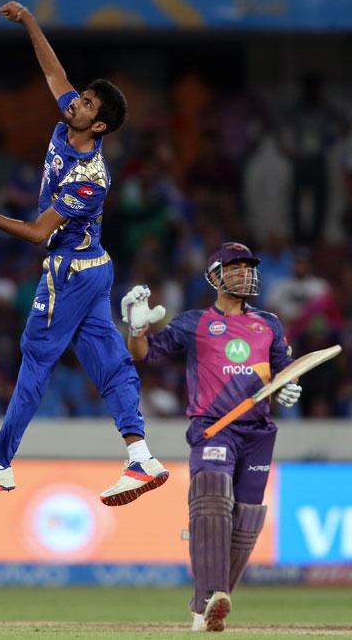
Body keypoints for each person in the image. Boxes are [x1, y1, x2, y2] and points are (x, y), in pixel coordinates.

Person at [0, 1, 169, 506]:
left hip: (68, 273)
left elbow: (40, 232)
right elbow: (53, 70)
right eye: (82, 98)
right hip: (94, 270)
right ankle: (141, 458)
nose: (75, 103)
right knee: (108, 362)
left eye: (87, 105)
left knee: (36, 360)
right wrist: (29, 21)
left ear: (101, 127)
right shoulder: (69, 122)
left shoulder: (90, 178)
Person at [121, 242, 301, 632]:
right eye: (234, 268)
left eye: (247, 267)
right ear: (215, 276)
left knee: (247, 519)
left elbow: (285, 370)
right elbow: (142, 354)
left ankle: (213, 607)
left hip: (257, 431)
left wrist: (289, 387)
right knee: (213, 502)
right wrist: (137, 328)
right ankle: (206, 602)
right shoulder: (194, 322)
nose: (243, 274)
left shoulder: (268, 323)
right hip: (214, 427)